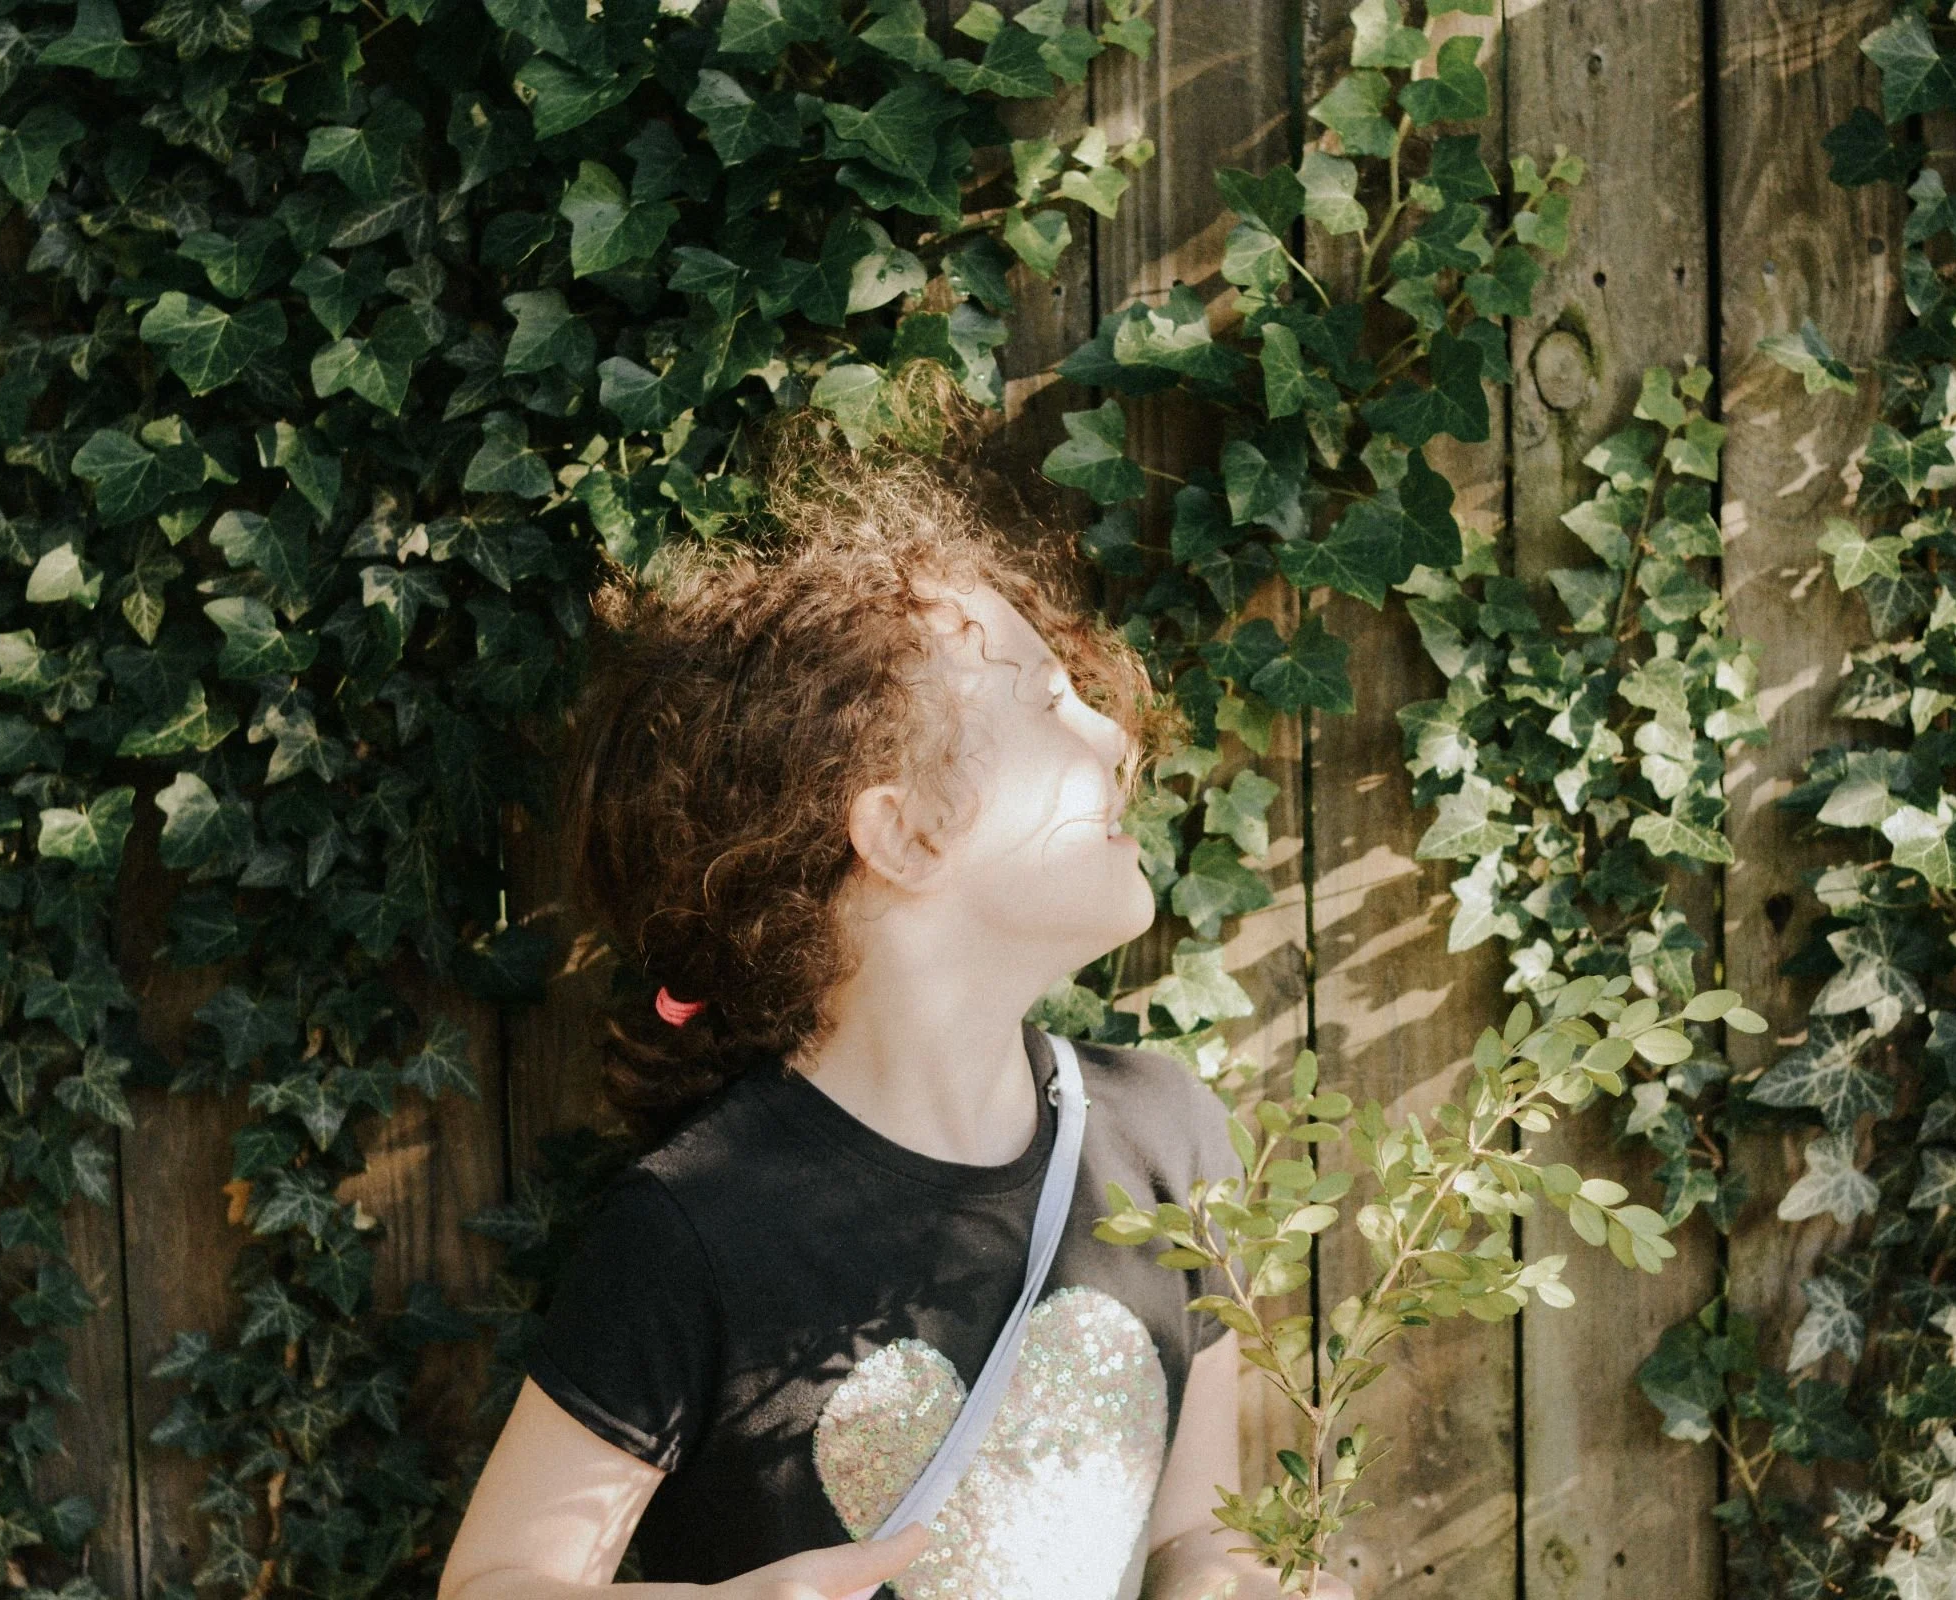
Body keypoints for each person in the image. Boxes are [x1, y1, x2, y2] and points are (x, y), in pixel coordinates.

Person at [437, 442, 1356, 1600]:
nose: (1119, 738)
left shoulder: (1168, 1137)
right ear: (907, 833)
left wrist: (1243, 1582)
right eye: (1049, 703)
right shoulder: (695, 1229)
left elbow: (1192, 1535)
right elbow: (495, 1583)